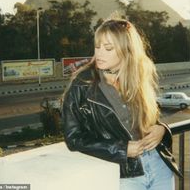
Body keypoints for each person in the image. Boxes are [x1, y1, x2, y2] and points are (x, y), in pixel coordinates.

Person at [62, 18, 182, 190]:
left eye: (108, 48)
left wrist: (162, 129)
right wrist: (121, 150)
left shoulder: (138, 77)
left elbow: (151, 119)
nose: (99, 54)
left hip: (159, 164)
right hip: (126, 174)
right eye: (97, 46)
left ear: (127, 50)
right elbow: (73, 138)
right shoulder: (82, 84)